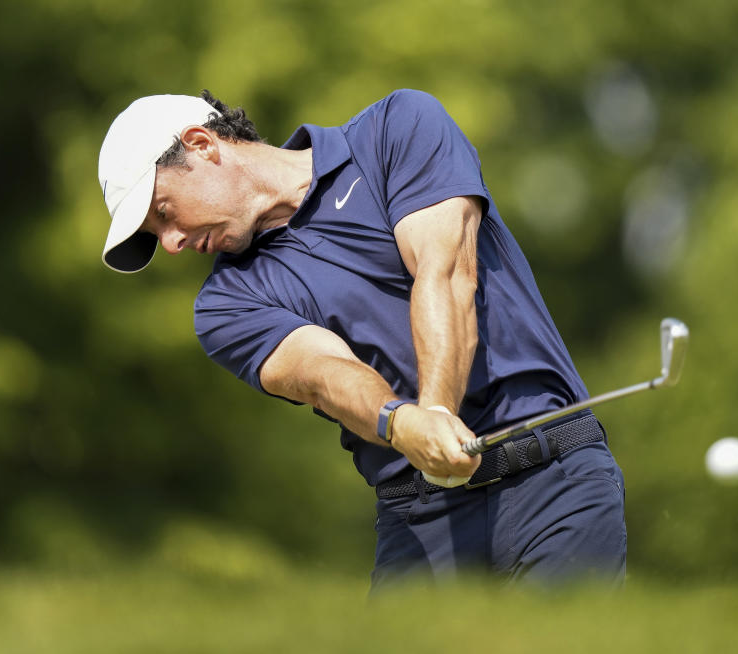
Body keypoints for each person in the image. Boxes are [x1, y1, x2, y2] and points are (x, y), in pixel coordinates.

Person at [98, 89, 626, 589]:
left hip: (554, 478)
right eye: (154, 233)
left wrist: (437, 411)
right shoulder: (225, 304)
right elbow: (322, 375)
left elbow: (444, 275)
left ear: (201, 145)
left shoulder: (397, 130)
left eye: (164, 213)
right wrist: (401, 423)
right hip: (420, 520)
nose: (170, 243)